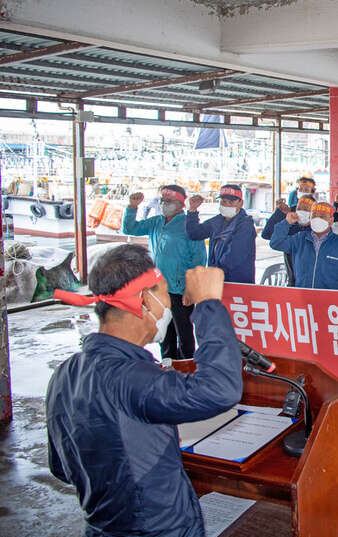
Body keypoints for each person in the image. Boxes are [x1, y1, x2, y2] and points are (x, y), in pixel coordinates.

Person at [47, 249, 242, 537]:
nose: (170, 304)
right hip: (158, 528)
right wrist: (209, 305)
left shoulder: (65, 374)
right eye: (164, 293)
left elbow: (62, 468)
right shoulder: (132, 379)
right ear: (143, 300)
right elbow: (221, 389)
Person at [122, 185, 206, 359]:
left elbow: (198, 259)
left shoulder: (188, 225)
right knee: (164, 332)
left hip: (180, 290)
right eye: (162, 200)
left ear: (181, 204)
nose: (163, 204)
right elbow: (130, 229)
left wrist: (191, 289)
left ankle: (187, 367)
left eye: (169, 201)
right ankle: (168, 365)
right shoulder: (156, 221)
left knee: (184, 333)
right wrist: (132, 207)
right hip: (158, 289)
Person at [270, 201, 338, 290]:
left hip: (330, 300)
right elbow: (276, 243)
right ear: (310, 218)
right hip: (302, 296)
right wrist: (286, 222)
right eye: (314, 215)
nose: (317, 219)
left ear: (331, 221)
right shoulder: (299, 239)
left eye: (322, 216)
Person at [185, 184, 256, 284]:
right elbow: (195, 234)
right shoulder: (216, 221)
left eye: (231, 202)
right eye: (224, 202)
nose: (227, 205)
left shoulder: (245, 226)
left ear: (241, 203)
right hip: (217, 280)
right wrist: (192, 210)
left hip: (237, 282)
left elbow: (234, 257)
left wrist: (212, 274)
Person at [260, 194, 314, 286]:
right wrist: (280, 213)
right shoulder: (291, 228)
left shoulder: (317, 232)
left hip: (311, 283)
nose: (301, 212)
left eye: (305, 209)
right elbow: (267, 234)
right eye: (299, 208)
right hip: (292, 282)